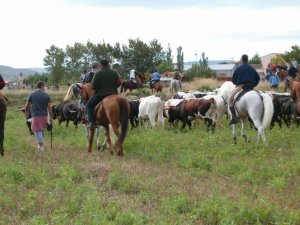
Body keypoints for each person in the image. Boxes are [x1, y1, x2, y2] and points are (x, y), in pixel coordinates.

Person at [86, 59, 122, 128]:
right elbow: (119, 83)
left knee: (89, 106)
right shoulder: (114, 72)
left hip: (100, 95)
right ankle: (120, 120)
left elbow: (93, 86)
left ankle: (93, 123)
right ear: (108, 64)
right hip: (113, 94)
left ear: (100, 65)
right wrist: (114, 87)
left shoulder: (97, 73)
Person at [228, 54, 260, 125]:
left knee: (229, 100)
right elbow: (258, 78)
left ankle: (234, 117)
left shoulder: (238, 68)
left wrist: (237, 83)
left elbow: (233, 80)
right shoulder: (252, 68)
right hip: (251, 86)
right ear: (247, 60)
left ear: (242, 60)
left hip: (241, 86)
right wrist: (254, 84)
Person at [24, 81, 53, 152]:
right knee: (41, 130)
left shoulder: (32, 95)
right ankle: (40, 145)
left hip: (36, 116)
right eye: (44, 86)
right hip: (44, 116)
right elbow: (49, 107)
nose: (44, 88)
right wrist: (51, 117)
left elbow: (27, 105)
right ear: (42, 86)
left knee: (37, 131)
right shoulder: (46, 95)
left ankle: (41, 147)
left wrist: (26, 112)